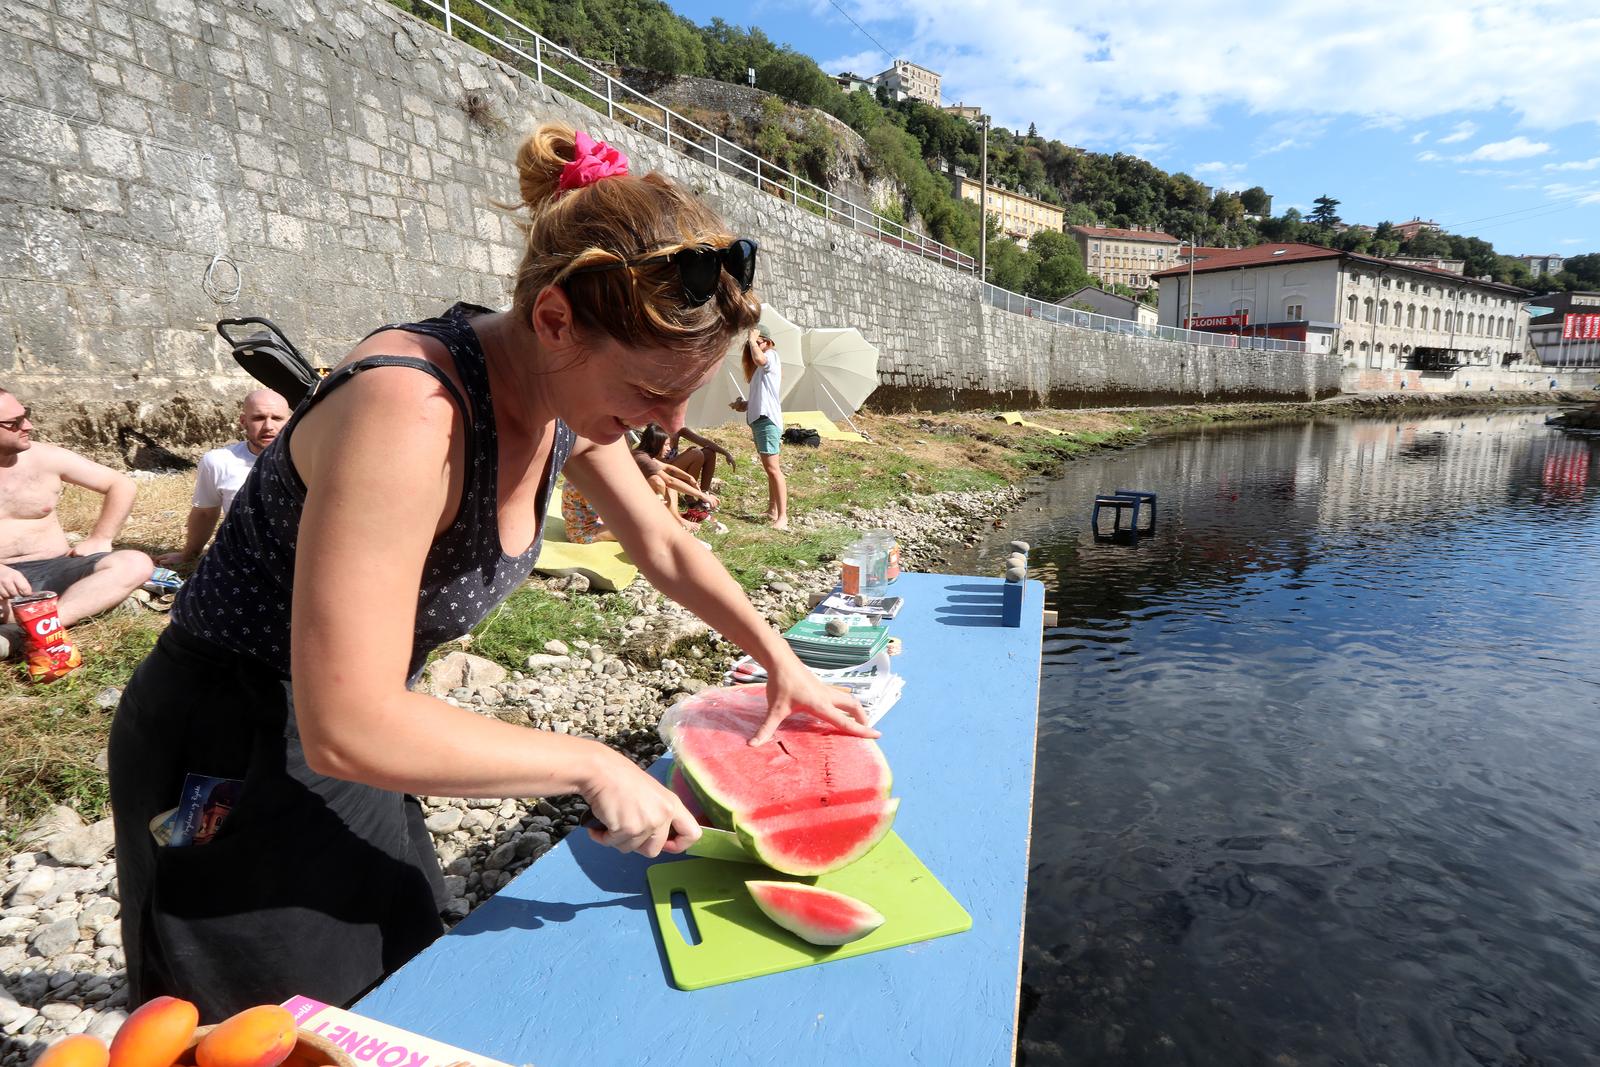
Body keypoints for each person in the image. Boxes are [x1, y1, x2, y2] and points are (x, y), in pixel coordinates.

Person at [108, 124, 874, 1020]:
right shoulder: (410, 411)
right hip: (229, 744)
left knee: (399, 975)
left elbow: (665, 546)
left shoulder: (560, 389)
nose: (668, 425)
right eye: (649, 392)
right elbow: (345, 722)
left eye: (684, 396)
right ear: (554, 320)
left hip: (369, 723)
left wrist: (780, 658)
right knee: (277, 1030)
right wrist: (589, 764)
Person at [0, 389, 155, 654]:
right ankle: (86, 608)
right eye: (14, 422)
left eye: (26, 415)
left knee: (135, 563)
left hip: (56, 567)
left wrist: (101, 538)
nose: (28, 426)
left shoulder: (45, 457)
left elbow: (120, 484)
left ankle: (38, 628)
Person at [157, 389, 291, 567]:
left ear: (289, 421)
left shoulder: (308, 460)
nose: (268, 426)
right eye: (258, 418)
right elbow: (205, 513)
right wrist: (188, 556)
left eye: (277, 418)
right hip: (245, 561)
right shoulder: (219, 461)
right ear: (243, 421)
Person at [731, 324, 787, 530]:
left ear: (768, 342)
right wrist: (744, 405)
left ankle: (783, 517)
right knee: (770, 469)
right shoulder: (759, 369)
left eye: (758, 341)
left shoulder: (770, 355)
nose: (752, 345)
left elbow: (760, 359)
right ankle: (773, 510)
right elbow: (763, 396)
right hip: (760, 419)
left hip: (767, 420)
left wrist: (752, 340)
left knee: (773, 469)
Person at [631, 424, 717, 525]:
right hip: (633, 498)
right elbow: (670, 480)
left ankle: (676, 517)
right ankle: (676, 520)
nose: (669, 449)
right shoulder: (642, 458)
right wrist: (702, 496)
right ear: (655, 444)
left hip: (640, 494)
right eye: (666, 445)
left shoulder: (645, 456)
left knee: (667, 482)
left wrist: (690, 478)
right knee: (659, 481)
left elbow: (668, 468)